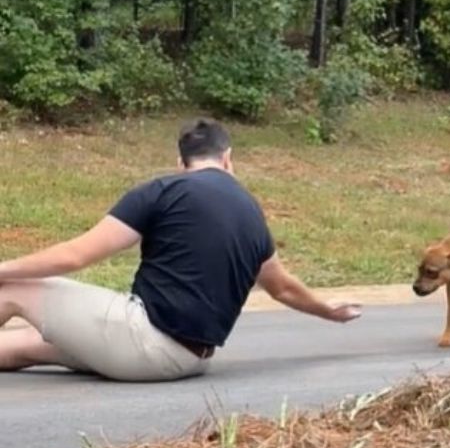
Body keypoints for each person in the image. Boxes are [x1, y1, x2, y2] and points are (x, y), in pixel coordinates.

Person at [0, 119, 361, 381]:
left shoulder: (163, 191)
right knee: (25, 344)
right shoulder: (252, 213)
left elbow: (75, 256)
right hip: (190, 360)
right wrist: (327, 311)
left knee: (16, 288)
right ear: (228, 159)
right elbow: (281, 287)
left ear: (180, 164)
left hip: (144, 342)